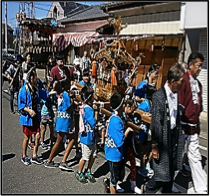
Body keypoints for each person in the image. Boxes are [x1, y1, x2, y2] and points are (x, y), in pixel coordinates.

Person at [144, 63, 185, 194]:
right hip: (162, 139)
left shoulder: (177, 93)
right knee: (161, 175)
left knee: (171, 172)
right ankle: (148, 189)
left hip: (174, 136)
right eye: (181, 81)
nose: (182, 84)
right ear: (173, 81)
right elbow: (156, 123)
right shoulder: (159, 96)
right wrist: (154, 145)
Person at [178, 52, 207, 194]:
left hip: (193, 127)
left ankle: (201, 187)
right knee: (176, 156)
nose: (200, 68)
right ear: (190, 65)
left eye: (201, 66)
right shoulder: (184, 80)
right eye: (198, 65)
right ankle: (168, 183)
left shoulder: (199, 84)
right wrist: (179, 124)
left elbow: (199, 106)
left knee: (194, 156)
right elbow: (180, 104)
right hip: (183, 126)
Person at [18, 67, 51, 165]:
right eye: (35, 76)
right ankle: (24, 156)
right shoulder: (24, 90)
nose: (37, 77)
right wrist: (29, 110)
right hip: (27, 118)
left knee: (37, 136)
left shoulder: (36, 88)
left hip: (36, 116)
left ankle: (34, 156)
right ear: (30, 78)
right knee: (27, 138)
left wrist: (53, 92)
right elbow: (21, 105)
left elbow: (44, 94)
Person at [103, 93, 134, 194]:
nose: (125, 106)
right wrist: (128, 130)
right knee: (114, 179)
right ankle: (111, 186)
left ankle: (111, 184)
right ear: (120, 107)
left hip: (117, 154)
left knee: (119, 175)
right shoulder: (116, 121)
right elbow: (120, 141)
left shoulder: (117, 116)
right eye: (124, 104)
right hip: (113, 154)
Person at [44, 80, 75, 171]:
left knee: (70, 139)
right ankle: (52, 161)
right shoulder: (65, 94)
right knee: (62, 141)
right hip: (64, 121)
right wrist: (73, 101)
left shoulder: (60, 94)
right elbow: (69, 106)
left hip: (61, 120)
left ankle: (62, 160)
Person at [75, 86, 97, 183]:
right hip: (86, 137)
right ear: (90, 97)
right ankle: (79, 172)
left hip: (90, 136)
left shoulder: (85, 107)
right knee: (85, 157)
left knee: (93, 155)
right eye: (93, 96)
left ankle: (88, 170)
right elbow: (93, 123)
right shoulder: (89, 110)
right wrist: (96, 112)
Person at [121, 97, 142, 194]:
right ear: (128, 106)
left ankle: (133, 183)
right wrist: (128, 129)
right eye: (132, 108)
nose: (133, 110)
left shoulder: (131, 116)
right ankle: (115, 182)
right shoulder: (122, 116)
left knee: (133, 163)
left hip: (129, 143)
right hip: (121, 144)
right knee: (119, 165)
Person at [40, 77, 56, 150]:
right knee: (43, 128)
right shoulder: (44, 92)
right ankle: (42, 142)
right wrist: (50, 93)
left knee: (51, 128)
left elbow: (54, 102)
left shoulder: (53, 93)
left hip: (50, 113)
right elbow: (44, 99)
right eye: (49, 84)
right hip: (44, 112)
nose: (50, 86)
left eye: (51, 84)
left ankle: (51, 142)